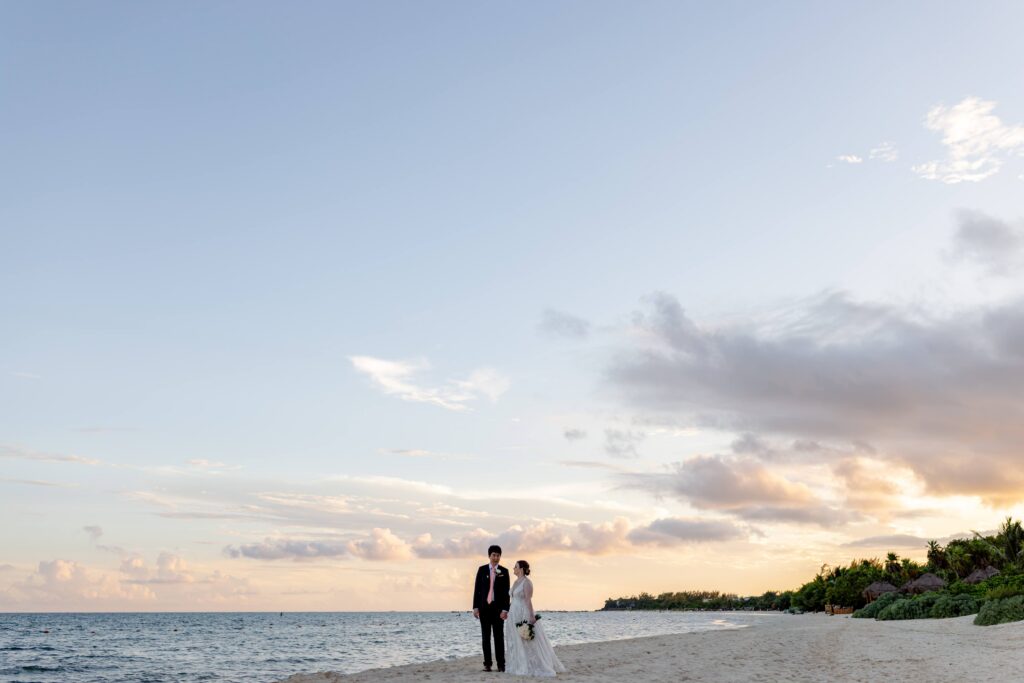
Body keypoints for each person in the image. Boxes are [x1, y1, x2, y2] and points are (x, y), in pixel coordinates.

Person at [504, 560, 566, 677]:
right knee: (516, 640)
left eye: (516, 567)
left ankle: (533, 665)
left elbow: (528, 600)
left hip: (523, 612)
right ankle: (518, 664)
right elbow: (512, 598)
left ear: (521, 569)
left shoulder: (527, 583)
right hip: (513, 613)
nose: (513, 568)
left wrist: (531, 616)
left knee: (527, 639)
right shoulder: (516, 582)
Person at [472, 544, 510, 672]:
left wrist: (505, 609)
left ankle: (501, 665)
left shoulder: (504, 572)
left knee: (499, 637)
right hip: (484, 608)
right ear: (489, 556)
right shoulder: (481, 570)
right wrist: (475, 607)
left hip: (498, 610)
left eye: (498, 555)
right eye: (494, 555)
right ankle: (487, 664)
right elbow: (477, 589)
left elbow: (506, 592)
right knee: (485, 637)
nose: (496, 558)